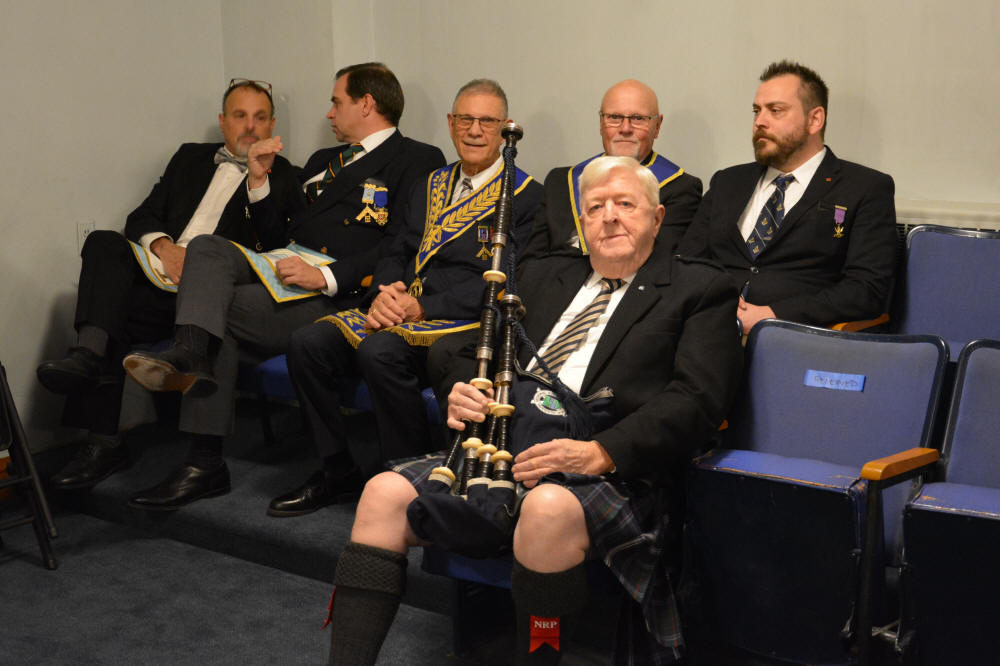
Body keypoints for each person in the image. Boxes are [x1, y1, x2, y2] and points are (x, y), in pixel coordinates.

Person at [324, 156, 742, 665]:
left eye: (625, 204)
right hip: (505, 444)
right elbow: (469, 351)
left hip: (612, 466)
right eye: (596, 207)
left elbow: (698, 399)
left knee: (546, 508)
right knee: (381, 494)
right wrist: (462, 388)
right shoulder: (543, 274)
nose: (609, 217)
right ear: (582, 223)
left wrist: (601, 452)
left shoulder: (699, 289)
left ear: (657, 219)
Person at [118, 63, 446, 510]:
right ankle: (190, 352)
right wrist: (258, 181)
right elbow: (275, 235)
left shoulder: (417, 158)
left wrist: (326, 276)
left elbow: (402, 243)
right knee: (208, 249)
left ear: (366, 104)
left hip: (337, 291)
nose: (329, 113)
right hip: (283, 269)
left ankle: (204, 461)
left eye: (337, 102)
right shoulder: (323, 160)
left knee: (217, 313)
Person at [267, 79, 544, 517]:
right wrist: (386, 291)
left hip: (461, 319)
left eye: (487, 122)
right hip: (400, 306)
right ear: (450, 123)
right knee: (307, 343)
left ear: (504, 128)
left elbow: (509, 280)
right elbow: (397, 248)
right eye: (465, 119)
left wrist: (421, 307)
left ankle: (406, 477)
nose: (474, 130)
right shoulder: (429, 183)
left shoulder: (525, 195)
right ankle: (336, 470)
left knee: (380, 351)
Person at [36, 79, 299, 491]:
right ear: (222, 121)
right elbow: (141, 217)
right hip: (162, 276)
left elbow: (274, 249)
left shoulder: (286, 177)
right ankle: (89, 368)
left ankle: (113, 441)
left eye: (260, 117)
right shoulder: (189, 158)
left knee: (113, 312)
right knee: (103, 246)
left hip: (211, 298)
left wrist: (257, 179)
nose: (250, 126)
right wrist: (164, 247)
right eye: (240, 115)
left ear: (272, 125)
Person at [678, 60, 898, 333]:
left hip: (794, 337)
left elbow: (866, 290)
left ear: (815, 119)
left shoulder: (864, 188)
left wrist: (772, 315)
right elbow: (686, 262)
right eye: (757, 111)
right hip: (707, 326)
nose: (760, 121)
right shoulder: (727, 182)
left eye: (775, 111)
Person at [524, 79, 702, 260]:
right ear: (601, 123)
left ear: (657, 126)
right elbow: (531, 264)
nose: (625, 128)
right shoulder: (560, 182)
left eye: (638, 118)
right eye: (614, 117)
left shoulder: (681, 189)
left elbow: (659, 263)